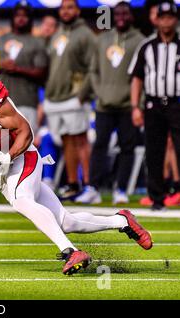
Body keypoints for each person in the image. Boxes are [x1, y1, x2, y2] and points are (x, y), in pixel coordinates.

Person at [0, 48, 152, 275]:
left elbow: (25, 131)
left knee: (22, 201)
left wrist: (8, 156)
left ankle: (70, 251)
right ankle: (121, 220)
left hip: (22, 157)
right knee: (66, 222)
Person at [76, 1, 144, 205]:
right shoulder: (103, 38)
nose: (121, 16)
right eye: (118, 13)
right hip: (104, 104)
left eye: (125, 13)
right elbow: (93, 71)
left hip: (127, 105)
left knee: (127, 148)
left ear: (132, 16)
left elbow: (142, 76)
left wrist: (137, 104)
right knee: (99, 146)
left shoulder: (139, 40)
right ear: (113, 16)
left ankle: (121, 190)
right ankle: (93, 188)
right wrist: (96, 94)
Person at [129, 0, 180, 211]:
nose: (167, 21)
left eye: (170, 17)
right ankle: (157, 198)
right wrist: (135, 106)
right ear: (157, 20)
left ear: (176, 20)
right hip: (153, 104)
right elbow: (137, 78)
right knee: (154, 151)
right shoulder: (147, 47)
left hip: (177, 104)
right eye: (163, 17)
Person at [44, 0, 96, 200]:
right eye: (63, 8)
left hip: (75, 96)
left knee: (81, 139)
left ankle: (91, 186)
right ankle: (73, 184)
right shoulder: (58, 33)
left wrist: (82, 94)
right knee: (66, 140)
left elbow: (93, 67)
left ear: (78, 10)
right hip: (56, 96)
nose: (65, 11)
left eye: (70, 8)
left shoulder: (86, 34)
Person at [0, 0, 48, 132]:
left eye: (25, 15)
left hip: (27, 101)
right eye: (18, 15)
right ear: (12, 17)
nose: (21, 18)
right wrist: (0, 64)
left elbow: (42, 73)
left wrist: (17, 69)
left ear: (30, 19)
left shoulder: (37, 42)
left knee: (27, 146)